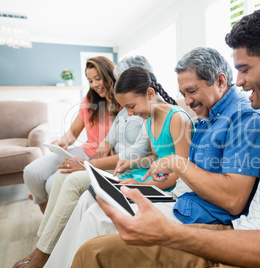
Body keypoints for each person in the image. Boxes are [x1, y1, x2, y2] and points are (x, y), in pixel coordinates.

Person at [72, 6, 260, 268]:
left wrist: (171, 233)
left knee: (97, 252)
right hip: (246, 233)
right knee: (95, 251)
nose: (238, 81)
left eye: (244, 69)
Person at [46, 47, 260, 267]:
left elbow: (233, 201)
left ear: (220, 82)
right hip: (183, 199)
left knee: (99, 217)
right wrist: (162, 170)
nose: (188, 101)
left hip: (198, 212)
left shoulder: (243, 117)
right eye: (183, 94)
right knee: (94, 202)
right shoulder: (209, 114)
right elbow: (188, 168)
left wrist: (175, 166)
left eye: (192, 91)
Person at [11, 56, 155, 268]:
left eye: (99, 78)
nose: (128, 109)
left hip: (122, 171)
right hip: (113, 165)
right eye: (90, 80)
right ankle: (43, 244)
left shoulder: (146, 112)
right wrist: (105, 142)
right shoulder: (126, 109)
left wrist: (88, 164)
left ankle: (43, 254)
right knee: (59, 176)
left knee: (69, 181)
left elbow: (138, 155)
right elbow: (111, 138)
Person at [23, 56, 120, 213]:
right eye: (90, 80)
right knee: (31, 172)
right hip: (86, 150)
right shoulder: (90, 99)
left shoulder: (124, 100)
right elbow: (74, 131)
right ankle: (44, 205)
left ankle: (51, 218)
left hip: (104, 158)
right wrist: (64, 142)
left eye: (98, 78)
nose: (94, 84)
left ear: (109, 75)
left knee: (51, 183)